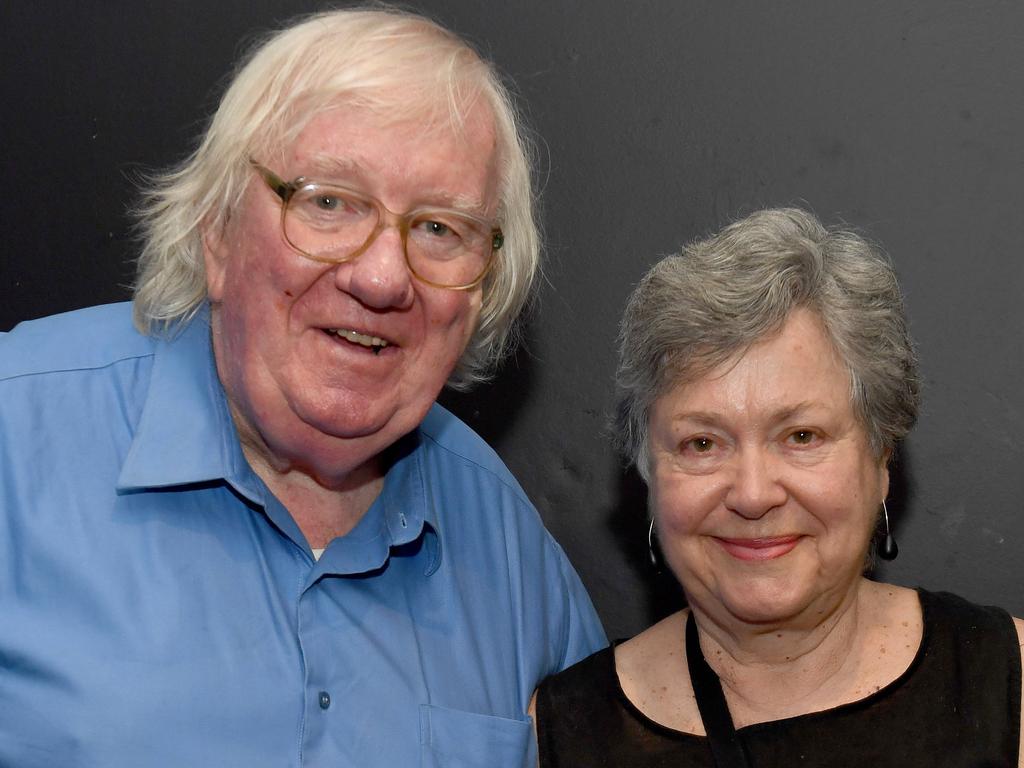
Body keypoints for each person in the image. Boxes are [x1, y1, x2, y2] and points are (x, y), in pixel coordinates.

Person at [0, 9, 605, 766]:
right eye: (328, 202)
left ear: (478, 295)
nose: (382, 277)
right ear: (215, 232)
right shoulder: (16, 436)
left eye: (440, 229)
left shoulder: (508, 549)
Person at [533, 208, 1023, 766]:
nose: (753, 494)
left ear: (881, 456)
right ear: (648, 473)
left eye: (800, 435)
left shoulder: (1011, 687)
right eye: (702, 444)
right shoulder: (556, 736)